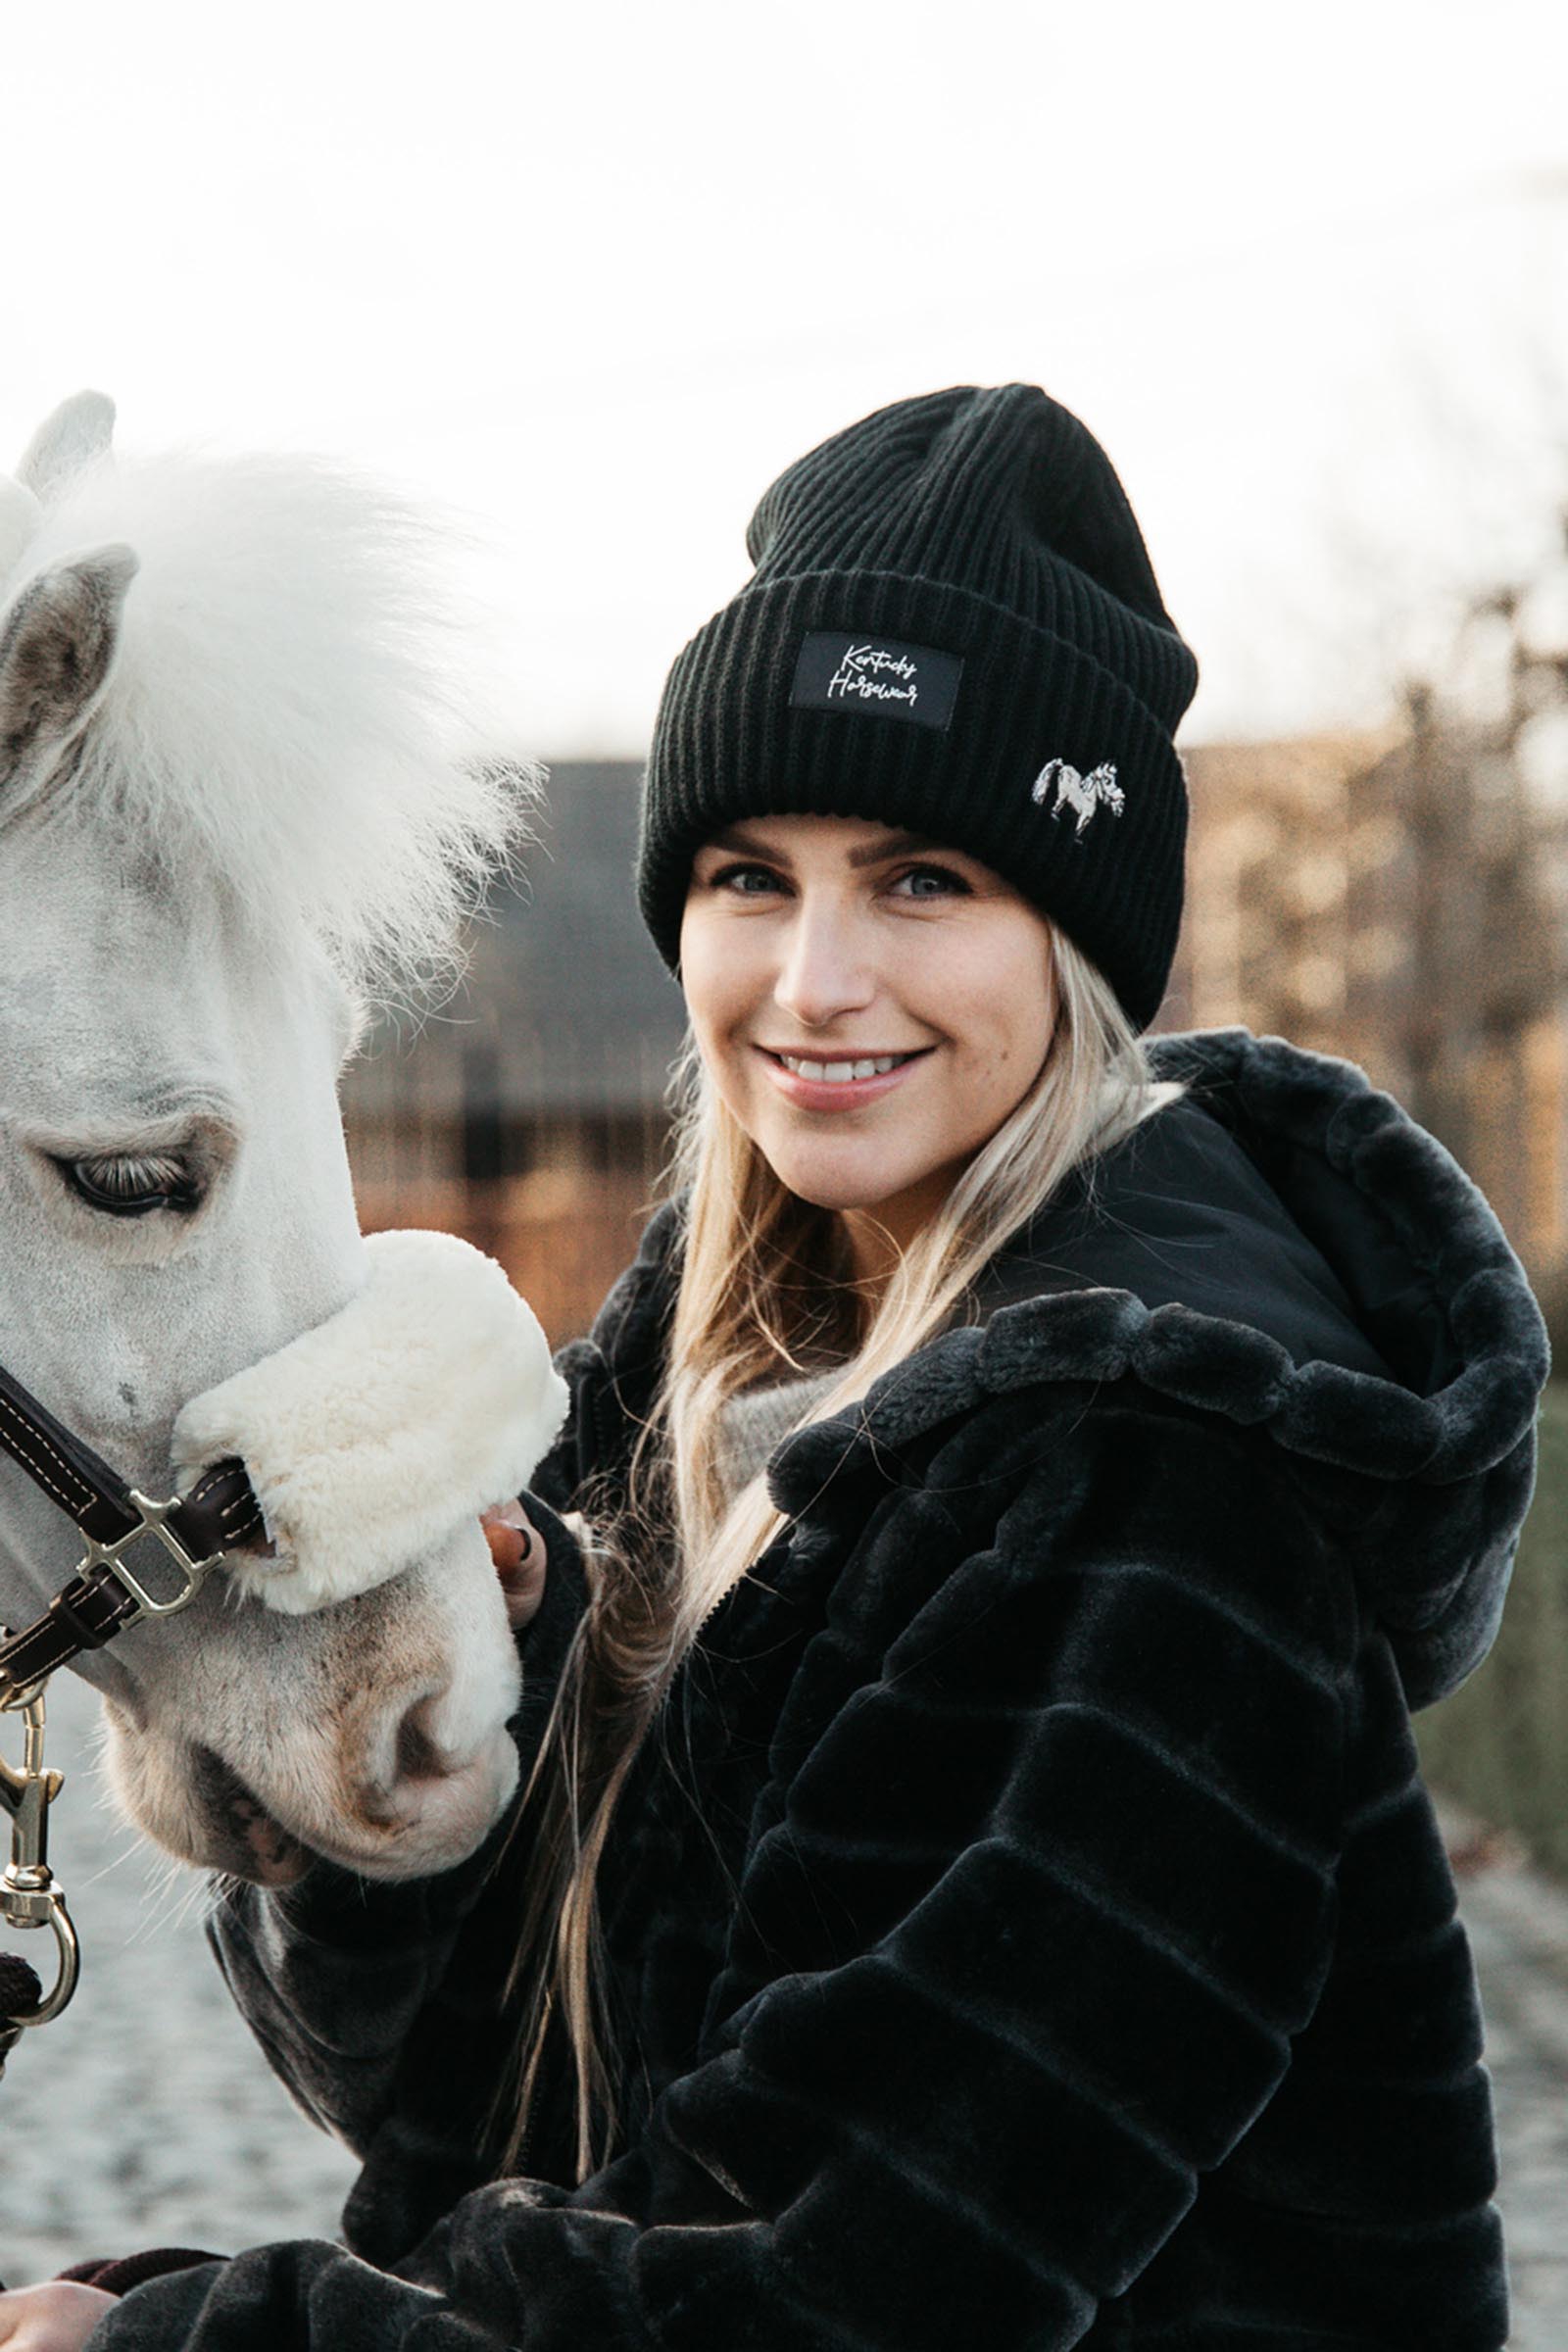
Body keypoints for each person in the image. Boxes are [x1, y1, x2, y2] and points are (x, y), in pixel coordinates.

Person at [2, 383, 1549, 2352]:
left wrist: (184, 2344)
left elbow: (857, 2306)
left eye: (923, 879)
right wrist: (451, 1773)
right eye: (749, 874)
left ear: (1073, 936)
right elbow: (517, 2153)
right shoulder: (698, 1411)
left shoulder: (1154, 1489)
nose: (813, 981)